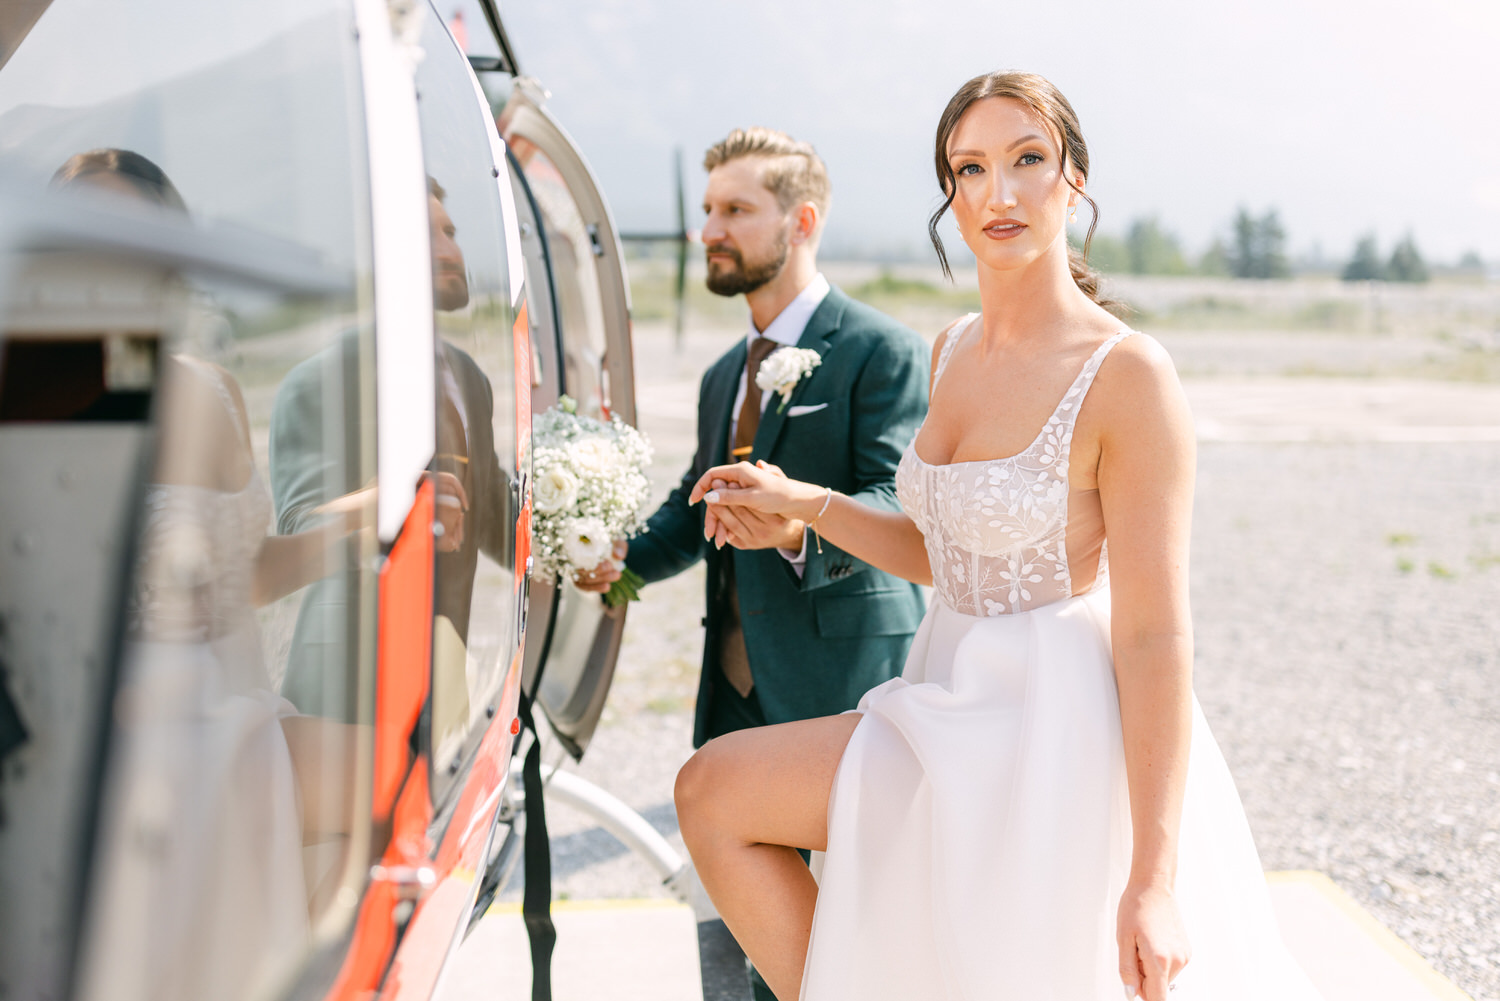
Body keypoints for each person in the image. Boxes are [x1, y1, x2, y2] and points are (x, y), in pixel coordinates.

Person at [672, 74, 1324, 1001]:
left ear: (1075, 182)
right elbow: (950, 558)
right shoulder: (953, 349)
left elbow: (1155, 635)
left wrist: (1153, 879)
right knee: (714, 792)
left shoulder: (1127, 374)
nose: (999, 192)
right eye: (970, 168)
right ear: (950, 195)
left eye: (1028, 160)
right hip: (943, 693)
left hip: (1057, 726)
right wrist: (807, 504)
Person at [582, 128, 929, 750]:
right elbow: (697, 504)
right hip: (732, 688)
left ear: (802, 222)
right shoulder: (722, 376)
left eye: (735, 211)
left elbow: (900, 504)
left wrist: (798, 530)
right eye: (708, 211)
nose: (709, 231)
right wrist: (615, 560)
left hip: (847, 685)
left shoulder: (883, 350)